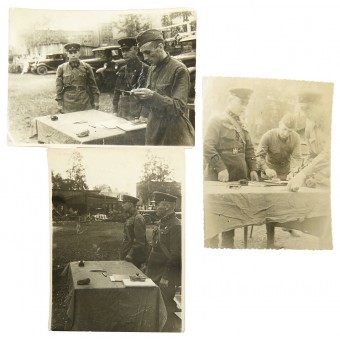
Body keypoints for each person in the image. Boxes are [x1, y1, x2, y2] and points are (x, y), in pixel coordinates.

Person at [204, 88, 259, 248]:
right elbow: (208, 146)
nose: (244, 107)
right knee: (214, 221)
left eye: (246, 104)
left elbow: (249, 149)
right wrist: (220, 168)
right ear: (230, 101)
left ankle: (228, 249)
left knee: (231, 220)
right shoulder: (216, 120)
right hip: (219, 178)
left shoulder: (243, 124)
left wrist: (253, 169)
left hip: (238, 178)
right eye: (241, 103)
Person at [131, 29, 194, 146]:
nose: (145, 58)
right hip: (153, 129)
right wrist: (140, 97)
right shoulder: (152, 68)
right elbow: (151, 101)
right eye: (142, 53)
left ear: (160, 47)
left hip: (173, 132)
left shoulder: (179, 69)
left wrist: (153, 96)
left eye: (148, 52)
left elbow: (178, 108)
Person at [145, 191, 181, 331]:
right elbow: (155, 247)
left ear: (166, 206)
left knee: (165, 309)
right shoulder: (161, 223)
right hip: (154, 271)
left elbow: (176, 255)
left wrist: (166, 276)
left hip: (165, 275)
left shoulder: (176, 226)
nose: (155, 208)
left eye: (158, 205)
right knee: (155, 308)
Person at [288, 91, 330, 192]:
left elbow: (328, 154)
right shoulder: (309, 125)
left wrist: (303, 174)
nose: (305, 114)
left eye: (308, 108)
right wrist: (298, 172)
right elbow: (312, 155)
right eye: (302, 109)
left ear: (321, 106)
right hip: (321, 181)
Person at [55, 43, 100, 113]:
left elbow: (93, 85)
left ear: (79, 53)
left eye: (75, 52)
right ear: (67, 54)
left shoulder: (86, 67)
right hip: (68, 101)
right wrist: (59, 103)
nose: (73, 55)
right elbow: (59, 87)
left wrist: (96, 100)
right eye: (70, 53)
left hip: (84, 99)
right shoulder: (61, 68)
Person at [256, 113, 302, 180]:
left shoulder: (296, 137)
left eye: (289, 131)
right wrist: (266, 169)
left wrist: (293, 172)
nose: (286, 133)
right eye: (284, 129)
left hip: (287, 174)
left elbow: (297, 157)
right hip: (269, 174)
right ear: (280, 124)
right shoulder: (268, 136)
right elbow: (259, 156)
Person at [112, 37, 149, 119]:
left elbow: (148, 94)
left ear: (136, 50)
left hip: (137, 109)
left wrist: (144, 114)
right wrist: (115, 110)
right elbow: (117, 91)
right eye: (122, 51)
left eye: (128, 50)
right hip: (123, 108)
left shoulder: (145, 68)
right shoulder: (122, 69)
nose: (124, 53)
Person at [120, 194, 148, 269]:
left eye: (124, 203)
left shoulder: (138, 218)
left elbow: (140, 241)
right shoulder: (130, 217)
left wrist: (129, 254)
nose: (122, 205)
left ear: (131, 204)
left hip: (133, 256)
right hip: (126, 251)